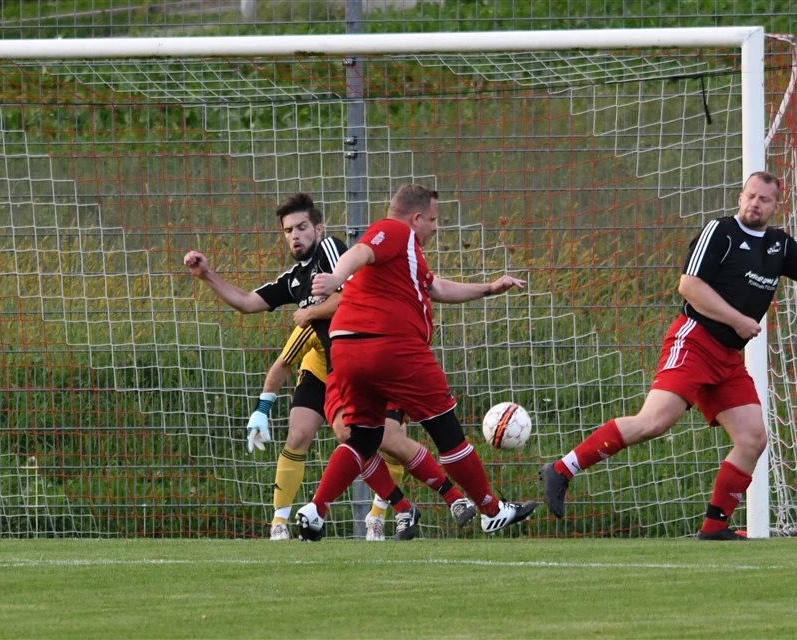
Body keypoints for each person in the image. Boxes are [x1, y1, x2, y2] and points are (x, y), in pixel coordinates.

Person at [541, 171, 797, 540]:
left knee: (753, 439)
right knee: (654, 422)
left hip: (728, 358)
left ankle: (714, 528)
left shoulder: (779, 244)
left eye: (763, 199)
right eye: (750, 196)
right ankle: (562, 469)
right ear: (740, 197)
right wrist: (738, 320)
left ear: (777, 205)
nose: (754, 204)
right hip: (694, 341)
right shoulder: (721, 232)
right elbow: (689, 286)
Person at [183, 192, 476, 540]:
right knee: (340, 435)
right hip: (342, 368)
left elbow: (352, 294)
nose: (295, 236)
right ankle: (394, 509)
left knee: (388, 438)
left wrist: (310, 312)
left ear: (319, 229)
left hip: (376, 355)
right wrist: (206, 275)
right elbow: (247, 302)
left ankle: (449, 499)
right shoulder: (295, 278)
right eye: (288, 230)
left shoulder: (331, 251)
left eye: (302, 227)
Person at [295, 183, 537, 541]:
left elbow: (435, 288)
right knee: (447, 431)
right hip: (392, 347)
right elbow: (361, 250)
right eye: (433, 220)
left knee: (363, 437)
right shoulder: (395, 231)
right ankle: (491, 511)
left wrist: (488, 288)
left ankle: (316, 509)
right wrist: (335, 278)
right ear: (416, 217)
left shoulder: (406, 259)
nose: (435, 228)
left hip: (346, 349)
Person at [247, 323, 476, 541]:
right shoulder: (316, 320)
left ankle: (381, 514)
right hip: (322, 376)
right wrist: (262, 409)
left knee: (391, 439)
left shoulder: (379, 313)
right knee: (311, 435)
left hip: (375, 371)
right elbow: (283, 360)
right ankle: (280, 521)